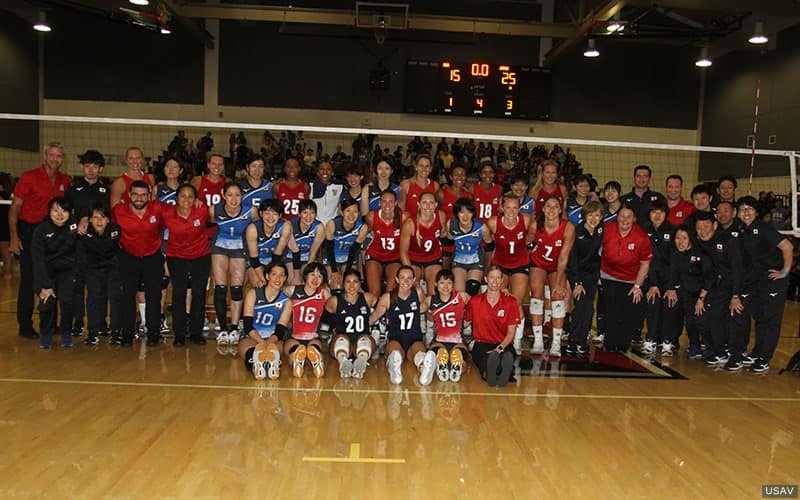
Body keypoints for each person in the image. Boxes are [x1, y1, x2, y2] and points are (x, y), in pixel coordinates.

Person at [10, 142, 71, 339]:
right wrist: (14, 236)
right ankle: (25, 326)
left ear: (63, 159)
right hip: (30, 231)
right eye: (52, 155)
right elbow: (14, 209)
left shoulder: (64, 180)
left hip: (55, 233)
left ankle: (50, 324)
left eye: (59, 156)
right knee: (29, 280)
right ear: (45, 157)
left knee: (52, 278)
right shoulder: (29, 177)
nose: (55, 159)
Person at [736, 196, 794, 373]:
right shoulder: (743, 230)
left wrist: (784, 271)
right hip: (757, 281)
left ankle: (764, 357)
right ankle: (757, 352)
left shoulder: (763, 228)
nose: (746, 212)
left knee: (771, 320)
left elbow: (787, 247)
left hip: (773, 281)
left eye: (749, 209)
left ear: (756, 211)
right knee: (760, 317)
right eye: (742, 209)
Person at [111, 180, 164, 347]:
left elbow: (181, 210)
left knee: (154, 296)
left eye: (143, 194)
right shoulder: (118, 211)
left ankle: (154, 334)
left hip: (152, 257)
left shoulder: (158, 208)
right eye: (135, 194)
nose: (139, 198)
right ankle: (126, 335)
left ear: (149, 196)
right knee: (127, 296)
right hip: (128, 257)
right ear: (129, 195)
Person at [65, 149, 111, 337]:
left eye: (95, 166)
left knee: (99, 287)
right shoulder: (73, 191)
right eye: (87, 166)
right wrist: (79, 223)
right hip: (77, 245)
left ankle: (100, 322)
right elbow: (64, 218)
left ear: (100, 169)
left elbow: (110, 218)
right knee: (77, 286)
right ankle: (77, 323)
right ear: (82, 167)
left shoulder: (106, 192)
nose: (91, 170)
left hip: (99, 247)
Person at [693, 211, 746, 367]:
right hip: (719, 287)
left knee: (735, 316)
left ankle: (737, 354)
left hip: (740, 285)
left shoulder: (728, 242)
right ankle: (720, 350)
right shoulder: (700, 245)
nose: (703, 230)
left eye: (706, 226)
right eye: (699, 227)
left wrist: (736, 294)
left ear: (715, 226)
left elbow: (737, 269)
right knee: (710, 316)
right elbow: (711, 273)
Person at [162, 184, 211, 347]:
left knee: (199, 294)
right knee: (179, 294)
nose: (186, 200)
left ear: (195, 199)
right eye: (183, 196)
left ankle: (196, 332)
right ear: (176, 198)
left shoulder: (202, 210)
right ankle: (180, 334)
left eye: (190, 196)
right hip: (176, 257)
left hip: (201, 256)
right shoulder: (167, 213)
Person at [370, 265, 436, 385]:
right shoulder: (387, 298)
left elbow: (428, 308)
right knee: (395, 353)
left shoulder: (418, 293)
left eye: (409, 278)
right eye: (402, 278)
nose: (406, 281)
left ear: (414, 280)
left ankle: (424, 370)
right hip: (396, 339)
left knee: (419, 354)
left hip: (414, 338)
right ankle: (395, 369)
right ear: (396, 279)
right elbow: (374, 317)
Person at [599, 204, 652, 353]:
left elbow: (645, 263)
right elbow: (595, 248)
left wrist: (637, 286)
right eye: (622, 216)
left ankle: (623, 344)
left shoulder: (641, 237)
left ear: (634, 219)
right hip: (608, 275)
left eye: (629, 217)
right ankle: (609, 343)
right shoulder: (607, 229)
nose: (625, 220)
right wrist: (598, 273)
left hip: (630, 278)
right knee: (610, 310)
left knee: (626, 312)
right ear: (617, 217)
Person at [527, 196, 575, 356]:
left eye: (555, 206)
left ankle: (556, 342)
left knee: (557, 297)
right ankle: (538, 340)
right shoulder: (535, 225)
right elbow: (527, 245)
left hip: (557, 265)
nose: (552, 210)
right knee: (536, 295)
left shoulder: (568, 227)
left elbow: (563, 258)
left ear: (561, 210)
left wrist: (560, 283)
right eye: (548, 206)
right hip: (538, 263)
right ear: (543, 209)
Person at [31, 197, 79, 349]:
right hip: (46, 273)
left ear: (70, 213)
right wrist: (45, 285)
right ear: (49, 212)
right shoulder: (41, 230)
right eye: (55, 211)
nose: (59, 214)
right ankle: (46, 334)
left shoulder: (75, 226)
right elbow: (37, 260)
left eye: (63, 211)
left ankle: (66, 332)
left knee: (68, 302)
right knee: (47, 303)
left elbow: (80, 252)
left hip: (67, 272)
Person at [487, 193, 532, 350]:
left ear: (519, 208)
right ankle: (496, 335)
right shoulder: (493, 222)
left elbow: (531, 238)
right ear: (501, 208)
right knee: (497, 299)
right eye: (508, 208)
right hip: (500, 265)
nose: (512, 212)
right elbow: (487, 240)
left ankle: (517, 340)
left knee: (515, 301)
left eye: (515, 208)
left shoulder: (526, 220)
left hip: (520, 263)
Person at [210, 182, 253, 344]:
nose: (234, 199)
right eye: (230, 195)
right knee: (220, 289)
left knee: (236, 289)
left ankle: (234, 328)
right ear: (223, 195)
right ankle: (222, 329)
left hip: (239, 248)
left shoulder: (250, 211)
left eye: (237, 195)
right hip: (220, 246)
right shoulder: (214, 209)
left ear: (242, 196)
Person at [663, 227, 714, 359]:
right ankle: (688, 344)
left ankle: (712, 347)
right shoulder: (675, 255)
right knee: (674, 307)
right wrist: (671, 289)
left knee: (700, 319)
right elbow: (673, 275)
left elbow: (709, 277)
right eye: (677, 238)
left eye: (684, 238)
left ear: (690, 239)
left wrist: (701, 298)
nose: (680, 242)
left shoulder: (701, 255)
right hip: (685, 293)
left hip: (702, 293)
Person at [464, 266, 520, 387]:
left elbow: (511, 333)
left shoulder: (511, 302)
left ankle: (501, 370)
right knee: (485, 360)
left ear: (502, 281)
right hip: (482, 343)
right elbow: (464, 323)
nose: (494, 281)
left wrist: (499, 348)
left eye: (498, 278)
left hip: (504, 343)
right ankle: (495, 372)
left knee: (507, 355)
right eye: (491, 277)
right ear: (486, 279)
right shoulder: (475, 301)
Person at [239, 262, 293, 380]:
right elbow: (247, 325)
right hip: (252, 336)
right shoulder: (253, 293)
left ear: (285, 278)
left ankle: (270, 363)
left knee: (275, 353)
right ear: (267, 276)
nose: (278, 278)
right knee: (248, 353)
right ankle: (256, 366)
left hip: (273, 338)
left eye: (281, 275)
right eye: (274, 274)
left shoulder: (286, 302)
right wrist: (261, 342)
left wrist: (268, 342)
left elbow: (281, 330)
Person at [79, 203, 122, 345]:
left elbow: (104, 248)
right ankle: (92, 332)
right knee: (93, 298)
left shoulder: (115, 230)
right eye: (95, 217)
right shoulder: (84, 230)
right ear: (89, 219)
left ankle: (116, 332)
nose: (99, 221)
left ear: (108, 219)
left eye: (103, 217)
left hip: (113, 268)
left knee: (115, 298)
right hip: (92, 269)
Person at [641, 201, 680, 356]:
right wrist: (652, 283)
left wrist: (672, 286)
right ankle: (650, 338)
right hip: (650, 278)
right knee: (653, 301)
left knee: (670, 303)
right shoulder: (643, 230)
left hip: (670, 279)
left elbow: (677, 261)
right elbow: (644, 259)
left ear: (666, 214)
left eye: (661, 212)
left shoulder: (673, 231)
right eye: (653, 212)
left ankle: (667, 341)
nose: (657, 215)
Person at [565, 200, 604, 357]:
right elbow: (572, 260)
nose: (593, 219)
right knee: (582, 307)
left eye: (597, 215)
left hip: (593, 277)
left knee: (587, 308)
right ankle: (574, 342)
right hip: (577, 276)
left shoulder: (602, 231)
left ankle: (580, 342)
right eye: (590, 215)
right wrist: (577, 283)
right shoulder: (577, 232)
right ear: (584, 216)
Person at [326, 269, 378, 379]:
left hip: (362, 338)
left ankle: (361, 362)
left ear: (360, 284)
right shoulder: (334, 301)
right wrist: (333, 328)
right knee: (341, 340)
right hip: (342, 339)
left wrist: (373, 322)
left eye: (355, 281)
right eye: (348, 281)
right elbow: (324, 318)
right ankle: (343, 363)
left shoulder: (369, 298)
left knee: (364, 340)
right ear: (343, 284)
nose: (352, 285)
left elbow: (382, 310)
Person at [424, 269, 470, 382]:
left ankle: (448, 365)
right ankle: (455, 366)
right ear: (435, 284)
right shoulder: (430, 300)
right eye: (442, 282)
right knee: (461, 359)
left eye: (449, 283)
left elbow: (477, 305)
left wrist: (468, 320)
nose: (446, 286)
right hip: (442, 341)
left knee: (454, 355)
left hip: (455, 342)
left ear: (454, 285)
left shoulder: (461, 297)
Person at [285, 263, 329, 378]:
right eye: (312, 274)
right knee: (293, 351)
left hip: (314, 337)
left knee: (314, 348)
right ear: (305, 276)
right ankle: (297, 363)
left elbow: (331, 315)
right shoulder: (291, 290)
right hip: (293, 336)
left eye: (320, 276)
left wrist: (325, 333)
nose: (315, 279)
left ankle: (315, 362)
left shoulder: (325, 294)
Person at [399, 191, 447, 296]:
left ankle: (431, 311)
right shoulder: (410, 224)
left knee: (434, 292)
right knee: (415, 291)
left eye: (431, 202)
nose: (428, 206)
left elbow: (444, 234)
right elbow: (403, 252)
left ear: (436, 205)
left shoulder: (441, 216)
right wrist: (410, 273)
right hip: (414, 259)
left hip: (433, 257)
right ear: (419, 204)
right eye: (424, 202)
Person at [245, 199, 295, 287]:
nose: (271, 217)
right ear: (261, 213)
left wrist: (271, 279)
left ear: (280, 215)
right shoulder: (252, 229)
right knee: (260, 286)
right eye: (267, 213)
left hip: (276, 261)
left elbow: (277, 257)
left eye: (275, 214)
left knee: (283, 285)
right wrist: (264, 279)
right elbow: (254, 260)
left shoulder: (285, 226)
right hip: (257, 263)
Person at [364, 189, 404, 296]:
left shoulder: (403, 217)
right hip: (375, 256)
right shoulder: (371, 216)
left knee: (390, 292)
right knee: (374, 292)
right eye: (384, 201)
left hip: (394, 258)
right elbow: (366, 237)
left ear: (396, 203)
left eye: (391, 201)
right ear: (379, 202)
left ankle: (389, 312)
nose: (387, 204)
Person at [325, 198, 369, 290]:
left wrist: (347, 272)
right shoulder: (332, 224)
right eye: (348, 211)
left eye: (355, 211)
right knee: (334, 285)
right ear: (341, 212)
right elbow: (328, 249)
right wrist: (334, 271)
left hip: (349, 258)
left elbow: (354, 250)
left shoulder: (362, 228)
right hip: (331, 257)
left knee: (349, 284)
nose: (352, 215)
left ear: (359, 213)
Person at [450, 198, 492, 293]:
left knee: (472, 290)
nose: (465, 216)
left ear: (473, 213)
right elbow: (446, 241)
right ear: (456, 213)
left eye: (469, 212)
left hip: (476, 261)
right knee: (460, 294)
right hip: (458, 261)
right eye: (461, 212)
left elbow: (490, 245)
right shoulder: (451, 224)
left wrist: (487, 267)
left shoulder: (481, 227)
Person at [287, 199, 325, 285]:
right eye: (305, 212)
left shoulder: (319, 227)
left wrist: (308, 272)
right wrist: (297, 276)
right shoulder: (289, 225)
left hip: (307, 258)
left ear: (316, 214)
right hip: (290, 257)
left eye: (312, 213)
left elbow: (313, 252)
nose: (308, 216)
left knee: (308, 281)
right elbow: (295, 251)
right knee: (294, 282)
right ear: (299, 214)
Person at [309, 160, 344, 224]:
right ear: (317, 172)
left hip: (332, 225)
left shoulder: (339, 187)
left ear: (332, 173)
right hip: (314, 225)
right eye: (321, 169)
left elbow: (340, 206)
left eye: (328, 169)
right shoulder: (310, 186)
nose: (325, 172)